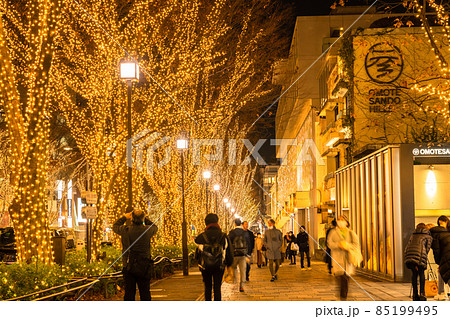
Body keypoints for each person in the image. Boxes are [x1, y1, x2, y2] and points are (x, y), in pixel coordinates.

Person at [113, 208, 157, 301]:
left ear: (132, 218)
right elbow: (155, 227)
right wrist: (145, 219)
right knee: (145, 292)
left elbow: (115, 226)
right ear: (143, 218)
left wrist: (125, 217)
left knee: (129, 293)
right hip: (144, 266)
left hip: (129, 265)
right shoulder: (147, 230)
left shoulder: (125, 230)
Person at [195, 213, 233, 301]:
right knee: (217, 287)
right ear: (217, 221)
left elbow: (197, 251)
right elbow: (229, 252)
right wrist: (229, 264)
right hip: (219, 266)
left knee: (207, 287)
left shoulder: (202, 236)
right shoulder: (223, 236)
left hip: (205, 266)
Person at [327, 215, 361, 300]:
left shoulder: (351, 233)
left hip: (348, 258)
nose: (340, 221)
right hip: (337, 258)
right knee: (340, 278)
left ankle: (343, 297)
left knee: (345, 278)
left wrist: (347, 246)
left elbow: (356, 244)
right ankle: (343, 296)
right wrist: (338, 245)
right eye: (339, 220)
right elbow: (329, 243)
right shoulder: (333, 232)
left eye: (342, 220)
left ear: (346, 222)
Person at [404, 223, 433, 301]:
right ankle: (422, 293)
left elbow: (408, 246)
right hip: (420, 256)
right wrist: (424, 255)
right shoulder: (428, 236)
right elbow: (427, 249)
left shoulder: (413, 235)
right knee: (421, 273)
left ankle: (415, 294)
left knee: (414, 274)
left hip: (410, 255)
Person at [429, 216, 449, 300]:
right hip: (445, 257)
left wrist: (438, 261)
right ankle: (441, 292)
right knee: (442, 272)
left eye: (442, 223)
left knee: (444, 273)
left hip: (445, 257)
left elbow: (437, 250)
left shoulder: (439, 235)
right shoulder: (443, 233)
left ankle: (441, 292)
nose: (441, 225)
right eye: (440, 223)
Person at [228, 218, 250, 292]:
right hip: (243, 254)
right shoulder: (244, 232)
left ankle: (234, 281)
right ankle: (241, 286)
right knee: (243, 270)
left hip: (234, 254)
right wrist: (248, 253)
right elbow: (248, 242)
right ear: (241, 224)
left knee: (233, 268)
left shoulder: (232, 232)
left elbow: (228, 243)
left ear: (235, 224)